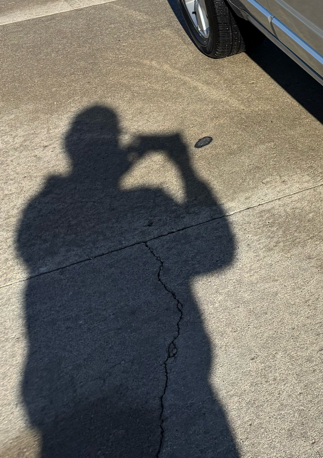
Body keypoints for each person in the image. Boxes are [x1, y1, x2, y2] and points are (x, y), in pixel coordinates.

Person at [16, 106, 238, 456]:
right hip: (164, 381)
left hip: (57, 385)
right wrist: (182, 162)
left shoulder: (38, 210)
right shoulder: (148, 199)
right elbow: (218, 251)